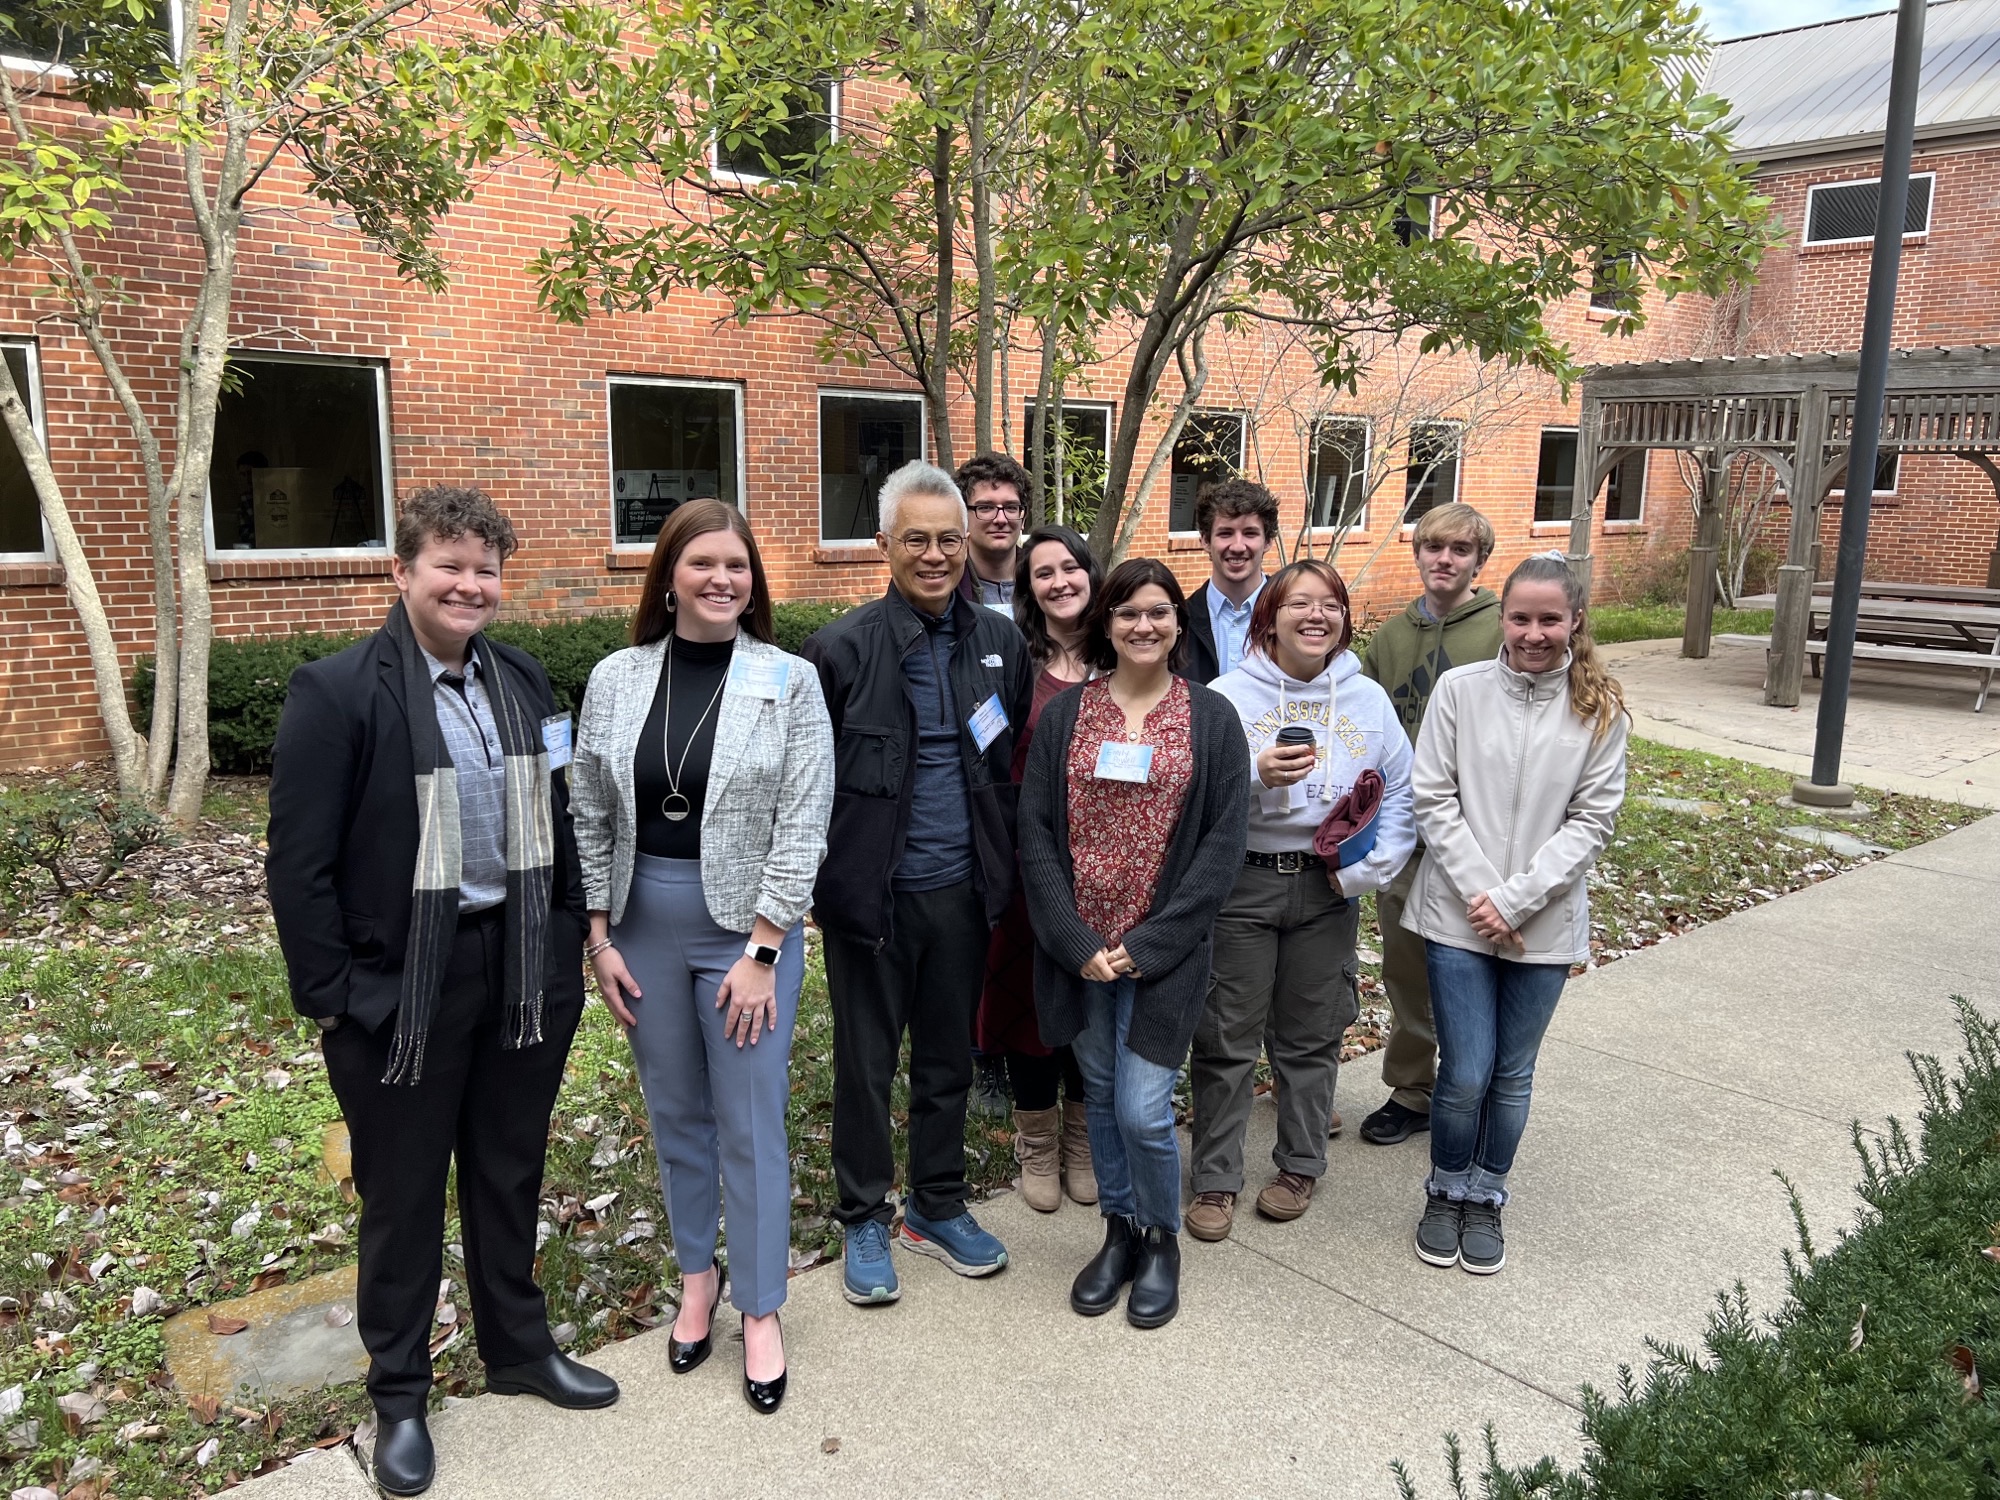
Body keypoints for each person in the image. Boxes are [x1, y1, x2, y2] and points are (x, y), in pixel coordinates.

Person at [267, 487, 615, 1498]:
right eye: (448, 566)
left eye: (485, 569)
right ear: (402, 572)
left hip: (518, 978)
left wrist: (566, 938)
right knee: (405, 1199)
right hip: (397, 995)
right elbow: (299, 866)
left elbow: (559, 811)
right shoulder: (337, 692)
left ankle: (517, 1348)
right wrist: (333, 997)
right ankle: (400, 1399)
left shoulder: (519, 678)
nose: (470, 584)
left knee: (507, 1173)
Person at [569, 500, 833, 1416]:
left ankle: (760, 1304)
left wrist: (765, 948)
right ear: (668, 576)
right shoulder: (616, 677)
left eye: (738, 565)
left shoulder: (788, 680)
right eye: (703, 563)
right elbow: (591, 814)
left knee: (751, 1119)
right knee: (676, 1112)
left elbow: (804, 820)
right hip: (642, 922)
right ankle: (697, 1279)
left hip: (747, 934)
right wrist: (597, 936)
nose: (723, 580)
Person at [802, 460, 1035, 1307]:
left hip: (966, 895)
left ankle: (936, 1206)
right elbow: (808, 787)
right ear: (883, 546)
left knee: (947, 1062)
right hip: (874, 903)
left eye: (949, 539)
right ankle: (865, 1212)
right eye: (916, 541)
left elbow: (1005, 768)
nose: (935, 556)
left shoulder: (1001, 645)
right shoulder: (838, 650)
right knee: (866, 1067)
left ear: (967, 541)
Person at [1018, 559, 1250, 1329]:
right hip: (1082, 956)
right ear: (1105, 624)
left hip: (1163, 956)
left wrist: (1150, 943)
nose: (1143, 625)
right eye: (1127, 613)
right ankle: (1118, 1231)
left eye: (1157, 612)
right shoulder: (1066, 718)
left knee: (1146, 1110)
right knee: (1104, 1100)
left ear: (1177, 625)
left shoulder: (1211, 720)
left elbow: (1221, 846)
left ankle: (1160, 1240)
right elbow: (1036, 836)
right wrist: (1075, 938)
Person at [1404, 553, 1628, 1275]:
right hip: (1457, 917)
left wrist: (1516, 900)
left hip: (1544, 923)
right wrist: (1484, 898)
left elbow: (1592, 822)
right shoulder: (1459, 691)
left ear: (1576, 621)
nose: (1534, 632)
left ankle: (1487, 1193)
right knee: (1465, 1070)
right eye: (1521, 617)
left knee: (1511, 1074)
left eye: (1550, 619)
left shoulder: (1600, 709)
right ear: (1501, 617)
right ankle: (1445, 1188)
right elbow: (1433, 796)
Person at [1188, 560, 1415, 1241]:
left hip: (1326, 887)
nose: (1316, 615)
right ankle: (1216, 1177)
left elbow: (1403, 793)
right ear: (1270, 617)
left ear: (1346, 619)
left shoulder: (1369, 701)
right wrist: (1253, 779)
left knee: (1311, 1036)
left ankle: (1300, 1165)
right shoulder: (1227, 697)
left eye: (1331, 605)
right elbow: (1193, 800)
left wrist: (1364, 875)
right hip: (1243, 883)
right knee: (1226, 1036)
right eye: (1299, 604)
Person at [1356, 502, 1503, 1148]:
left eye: (1460, 550)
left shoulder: (1504, 630)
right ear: (1416, 554)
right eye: (1433, 547)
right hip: (1406, 836)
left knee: (1475, 966)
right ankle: (1413, 1088)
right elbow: (1359, 716)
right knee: (1407, 967)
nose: (1444, 560)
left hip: (1481, 837)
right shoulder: (1390, 639)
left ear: (1478, 560)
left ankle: (1480, 1087)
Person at [976, 525, 1102, 1212]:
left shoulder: (1124, 654)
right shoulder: (1008, 660)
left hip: (1109, 866)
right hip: (1028, 865)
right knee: (1030, 1003)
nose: (1059, 582)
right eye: (1043, 573)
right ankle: (1040, 1145)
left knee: (1091, 997)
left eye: (1070, 568)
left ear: (1091, 574)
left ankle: (1082, 1142)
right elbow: (985, 752)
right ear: (1027, 588)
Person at [1180, 477, 1279, 685]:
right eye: (1225, 533)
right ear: (1205, 541)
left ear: (1268, 541)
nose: (1237, 546)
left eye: (1250, 533)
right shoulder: (1179, 623)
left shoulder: (1289, 615)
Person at [955, 452, 1032, 612]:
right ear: (962, 518)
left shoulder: (1045, 582)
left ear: (1023, 518)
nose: (1001, 519)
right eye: (986, 508)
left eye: (1011, 507)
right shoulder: (946, 589)